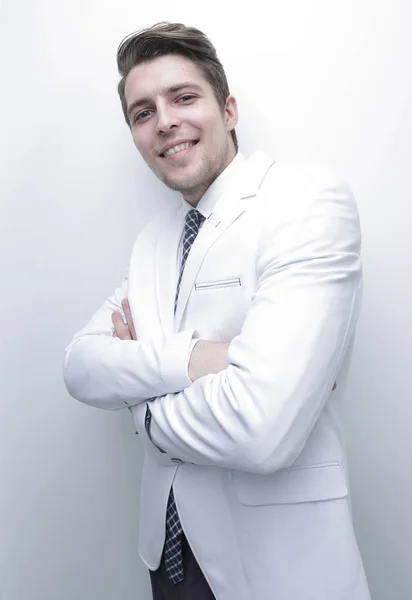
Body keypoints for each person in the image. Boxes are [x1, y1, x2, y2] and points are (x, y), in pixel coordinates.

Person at [63, 21, 371, 600]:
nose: (165, 121)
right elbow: (80, 365)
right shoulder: (153, 242)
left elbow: (263, 428)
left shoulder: (304, 203)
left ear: (228, 109)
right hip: (170, 566)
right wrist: (200, 358)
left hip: (280, 571)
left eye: (183, 97)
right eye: (142, 112)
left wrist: (142, 408)